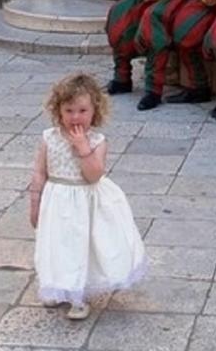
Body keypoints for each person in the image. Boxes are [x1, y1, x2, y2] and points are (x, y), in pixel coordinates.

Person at [29, 73, 146, 320]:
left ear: (95, 111)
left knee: (79, 249)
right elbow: (40, 172)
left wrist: (82, 148)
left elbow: (94, 175)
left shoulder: (97, 141)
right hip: (57, 202)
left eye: (82, 110)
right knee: (56, 246)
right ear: (58, 110)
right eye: (68, 110)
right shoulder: (49, 138)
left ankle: (78, 296)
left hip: (85, 205)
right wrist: (35, 202)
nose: (75, 117)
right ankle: (58, 285)